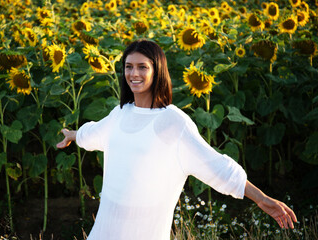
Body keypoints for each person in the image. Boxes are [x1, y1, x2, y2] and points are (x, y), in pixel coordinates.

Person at [56, 39, 297, 240]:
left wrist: (261, 198)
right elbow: (94, 134)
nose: (133, 74)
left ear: (157, 70)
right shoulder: (120, 114)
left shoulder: (172, 122)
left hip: (145, 232)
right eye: (129, 67)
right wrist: (73, 135)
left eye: (142, 67)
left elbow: (216, 166)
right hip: (105, 231)